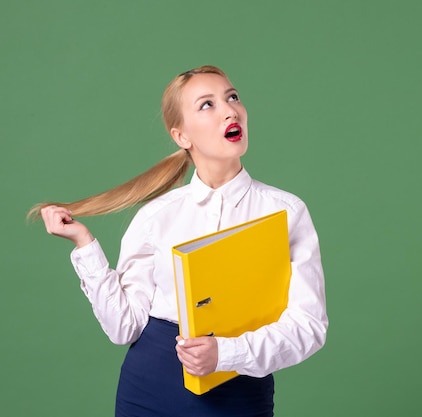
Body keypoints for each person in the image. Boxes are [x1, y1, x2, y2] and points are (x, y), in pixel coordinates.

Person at [29, 65, 328, 417]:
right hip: (148, 387)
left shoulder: (286, 212)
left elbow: (309, 327)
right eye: (207, 104)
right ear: (181, 135)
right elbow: (123, 327)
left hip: (239, 391)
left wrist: (225, 354)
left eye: (232, 97)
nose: (230, 110)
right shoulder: (157, 215)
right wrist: (84, 245)